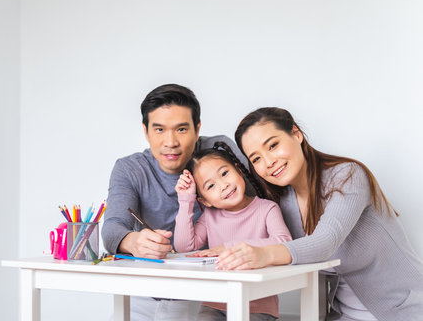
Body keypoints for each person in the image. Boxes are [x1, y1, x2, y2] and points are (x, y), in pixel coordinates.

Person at [217, 107, 423, 321]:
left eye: (273, 145)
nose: (269, 162)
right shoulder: (284, 204)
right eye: (256, 159)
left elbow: (325, 242)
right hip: (343, 315)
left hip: (403, 312)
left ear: (296, 134)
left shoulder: (348, 176)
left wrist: (265, 255)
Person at [101, 84, 253, 321]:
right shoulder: (130, 169)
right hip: (147, 294)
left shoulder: (219, 152)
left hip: (211, 294)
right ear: (146, 130)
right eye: (159, 129)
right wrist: (133, 241)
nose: (170, 142)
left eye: (181, 129)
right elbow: (112, 230)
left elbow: (260, 202)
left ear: (197, 128)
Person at [174, 141, 292, 321]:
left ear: (238, 169)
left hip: (257, 306)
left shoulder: (267, 209)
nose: (223, 185)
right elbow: (184, 247)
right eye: (210, 186)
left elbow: (284, 242)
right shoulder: (209, 216)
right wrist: (185, 199)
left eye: (224, 173)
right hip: (215, 303)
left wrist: (227, 248)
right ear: (205, 201)